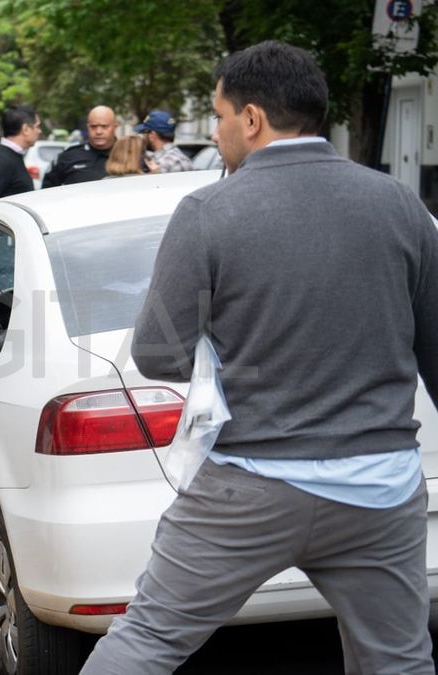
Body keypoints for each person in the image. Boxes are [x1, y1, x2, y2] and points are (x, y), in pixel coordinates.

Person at [82, 40, 438, 674]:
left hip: (249, 487)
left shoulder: (209, 212)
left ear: (251, 119)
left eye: (219, 117)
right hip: (379, 489)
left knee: (148, 641)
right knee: (399, 662)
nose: (217, 134)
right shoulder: (402, 206)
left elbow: (158, 356)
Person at [42, 105, 117, 187]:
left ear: (115, 127)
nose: (98, 131)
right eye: (93, 127)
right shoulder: (69, 157)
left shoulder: (128, 155)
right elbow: (46, 191)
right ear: (87, 127)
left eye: (104, 126)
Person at [0, 106, 41, 202]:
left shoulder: (12, 155)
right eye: (37, 126)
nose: (39, 131)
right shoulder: (1, 160)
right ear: (26, 129)